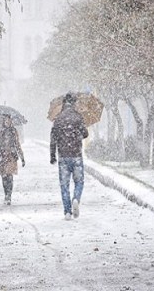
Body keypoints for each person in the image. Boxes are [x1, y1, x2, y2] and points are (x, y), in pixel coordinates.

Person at [50, 92, 89, 220]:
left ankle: (67, 211)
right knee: (79, 182)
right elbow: (85, 134)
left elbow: (53, 138)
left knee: (64, 185)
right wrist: (77, 131)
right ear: (74, 103)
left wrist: (52, 155)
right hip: (76, 155)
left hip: (63, 156)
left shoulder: (58, 118)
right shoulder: (78, 117)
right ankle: (76, 199)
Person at [0, 115, 25, 205]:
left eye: (9, 120)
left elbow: (17, 144)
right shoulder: (0, 131)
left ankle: (9, 195)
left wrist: (22, 157)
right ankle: (6, 194)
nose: (7, 122)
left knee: (10, 176)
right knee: (4, 176)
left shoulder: (13, 131)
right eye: (5, 120)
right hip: (2, 156)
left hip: (11, 156)